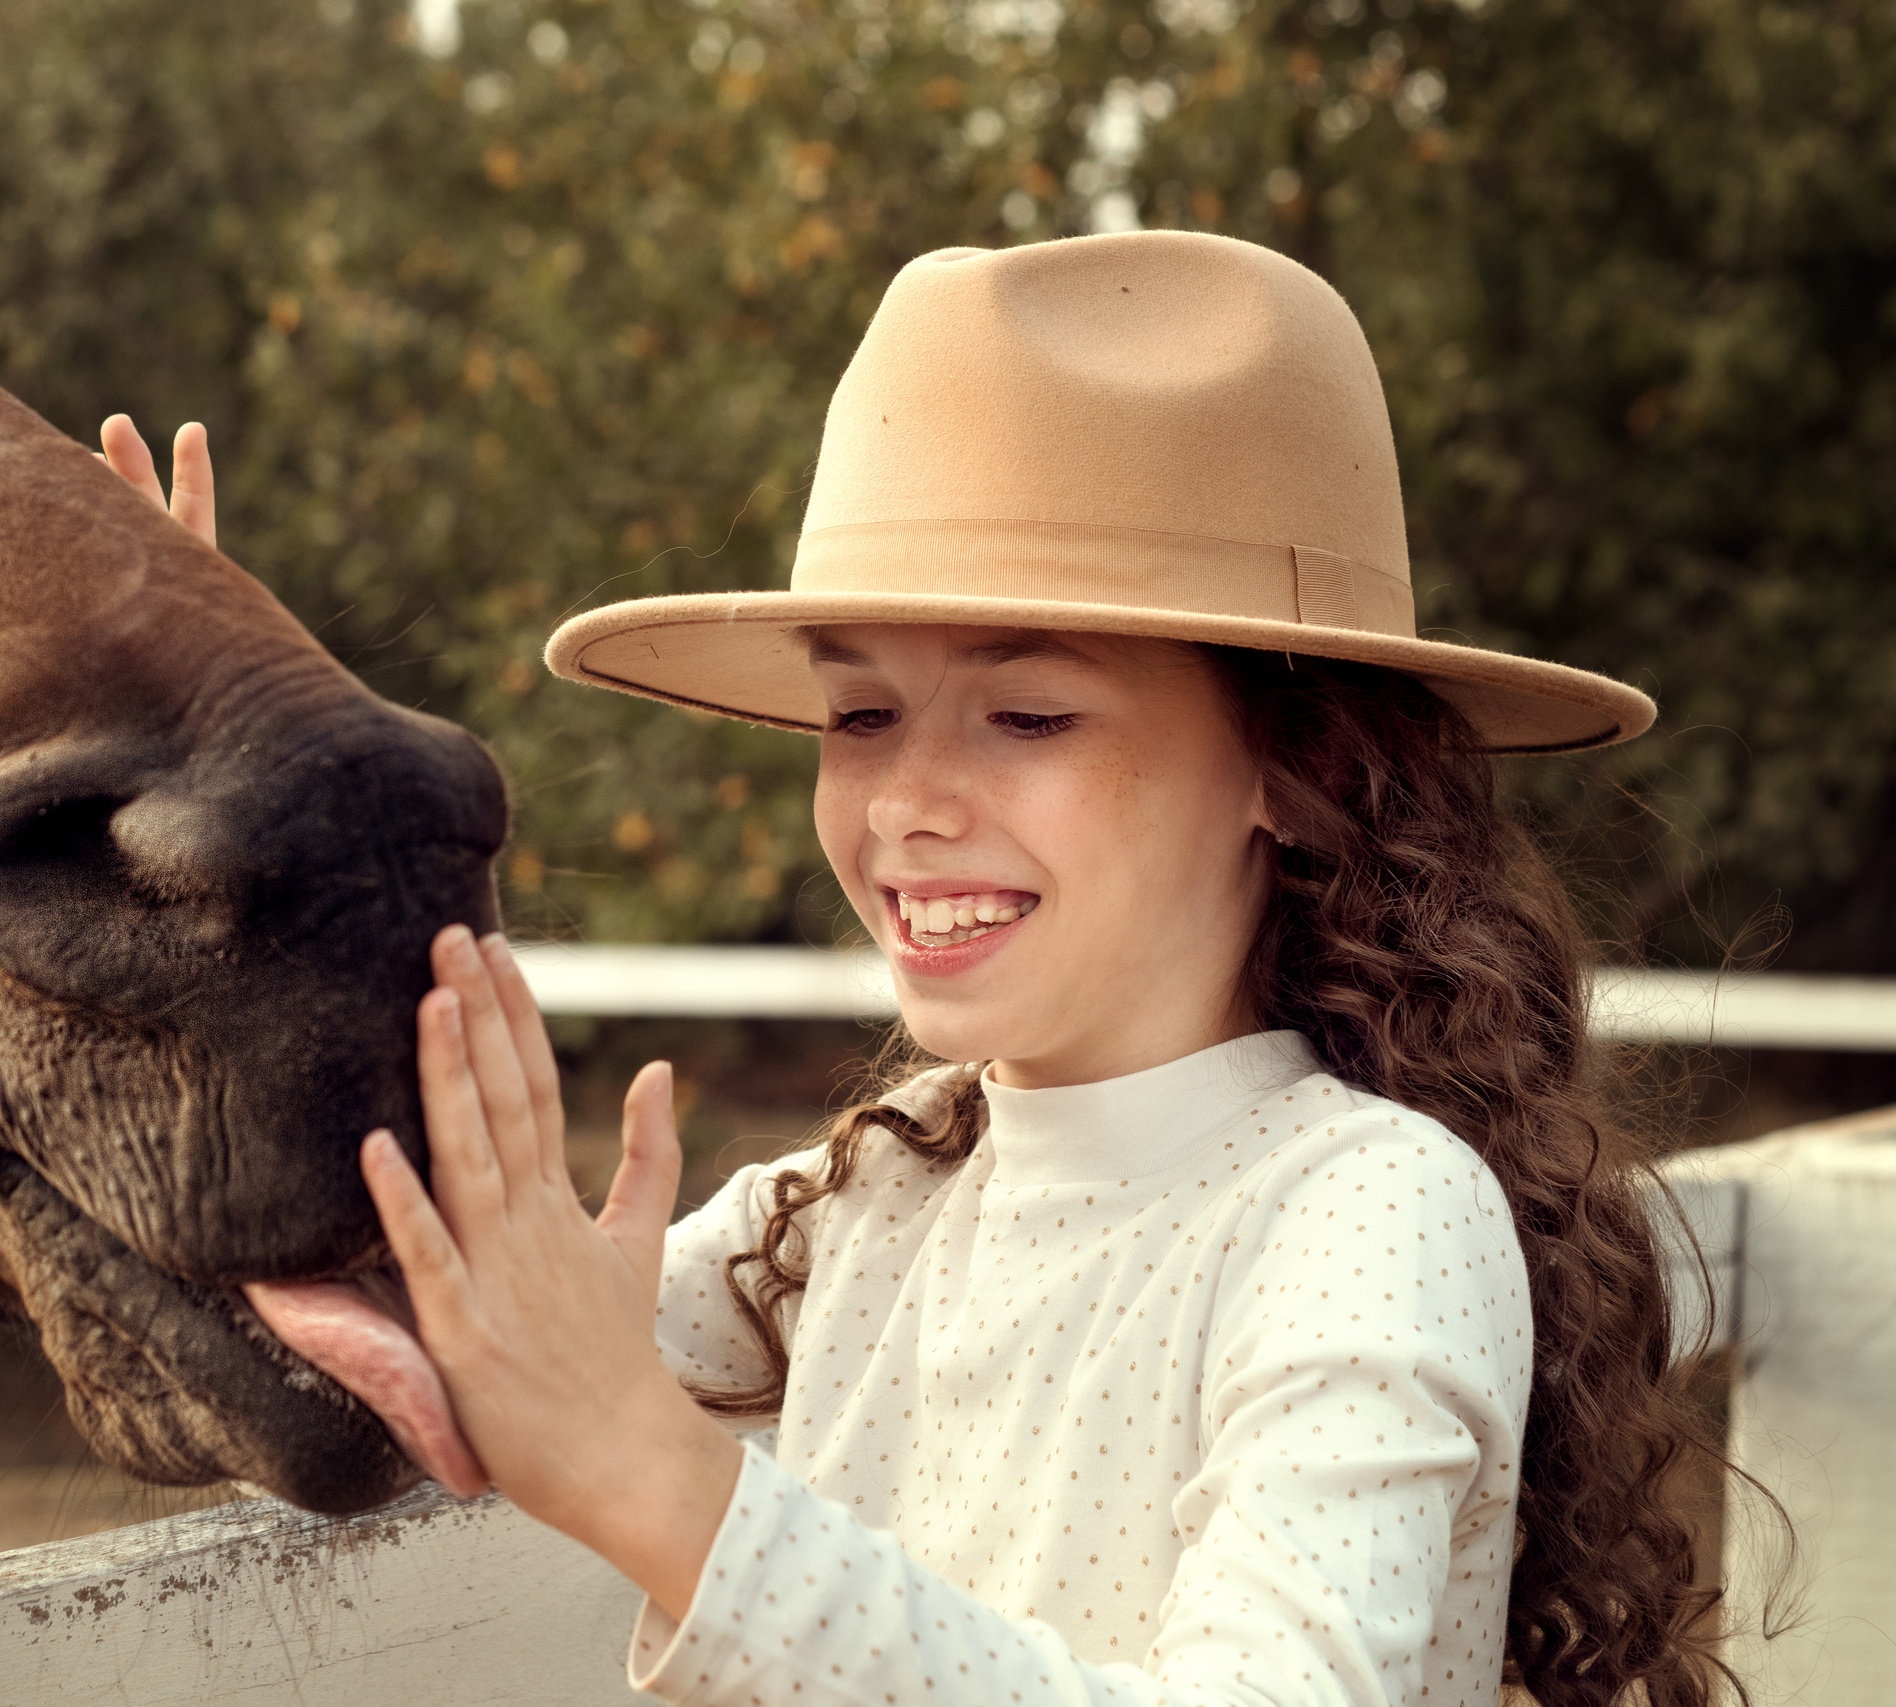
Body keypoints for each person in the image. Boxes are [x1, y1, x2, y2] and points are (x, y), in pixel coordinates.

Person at [109, 231, 1742, 1706]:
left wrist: (657, 1483)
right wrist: (201, 828)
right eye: (859, 711)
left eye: (1029, 714)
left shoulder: (1366, 1210)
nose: (903, 803)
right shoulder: (869, 1202)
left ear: (1295, 766)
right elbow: (329, 1335)